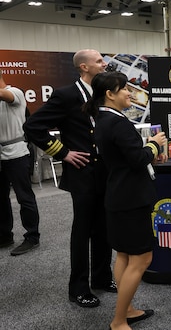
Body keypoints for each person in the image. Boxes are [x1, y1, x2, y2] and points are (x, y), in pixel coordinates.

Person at [24, 49, 115, 308]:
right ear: (84, 67)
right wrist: (63, 153)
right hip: (83, 174)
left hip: (104, 173)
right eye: (99, 61)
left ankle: (102, 277)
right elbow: (32, 127)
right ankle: (78, 288)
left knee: (103, 228)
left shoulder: (101, 94)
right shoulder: (66, 95)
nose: (104, 63)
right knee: (83, 231)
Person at [84, 71, 165, 330]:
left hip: (118, 196)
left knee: (124, 256)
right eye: (124, 89)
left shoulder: (105, 119)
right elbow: (137, 159)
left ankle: (126, 309)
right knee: (141, 259)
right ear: (110, 94)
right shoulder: (117, 123)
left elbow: (125, 156)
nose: (130, 93)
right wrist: (154, 145)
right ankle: (119, 320)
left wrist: (145, 150)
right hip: (131, 198)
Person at [0, 74, 41, 256]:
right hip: (1, 155)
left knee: (24, 197)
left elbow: (5, 96)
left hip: (17, 154)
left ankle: (32, 237)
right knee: (1, 199)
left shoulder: (14, 92)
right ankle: (4, 236)